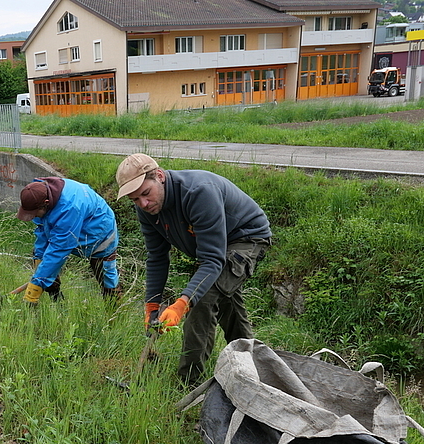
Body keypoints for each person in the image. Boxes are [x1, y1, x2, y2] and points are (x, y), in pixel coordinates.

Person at [115, 153, 272, 384]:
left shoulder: (198, 192)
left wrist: (181, 305)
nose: (143, 204)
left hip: (246, 239)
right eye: (135, 200)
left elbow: (212, 260)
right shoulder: (147, 210)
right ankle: (252, 367)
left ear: (159, 176)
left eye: (146, 194)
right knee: (224, 298)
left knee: (203, 298)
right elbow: (157, 257)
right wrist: (152, 304)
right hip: (215, 249)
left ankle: (188, 382)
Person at [15, 176, 121, 304]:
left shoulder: (69, 208)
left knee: (106, 279)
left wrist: (34, 289)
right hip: (74, 226)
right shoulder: (38, 193)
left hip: (100, 233)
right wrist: (39, 261)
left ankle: (114, 314)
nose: (34, 216)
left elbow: (58, 251)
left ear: (46, 203)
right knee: (45, 262)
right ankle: (58, 303)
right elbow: (42, 230)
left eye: (35, 213)